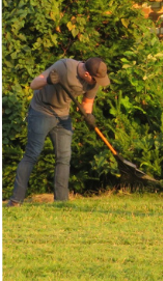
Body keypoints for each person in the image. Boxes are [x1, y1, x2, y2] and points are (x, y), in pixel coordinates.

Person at [8, 57, 109, 206]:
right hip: (41, 112)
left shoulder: (94, 82)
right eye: (96, 79)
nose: (98, 82)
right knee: (32, 154)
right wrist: (48, 79)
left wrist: (89, 116)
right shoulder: (64, 67)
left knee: (64, 157)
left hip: (63, 116)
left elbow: (87, 104)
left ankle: (61, 202)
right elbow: (34, 84)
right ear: (87, 74)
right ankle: (16, 200)